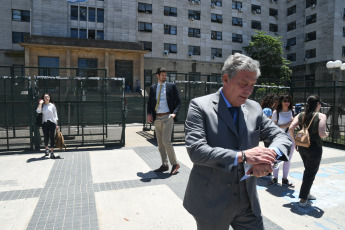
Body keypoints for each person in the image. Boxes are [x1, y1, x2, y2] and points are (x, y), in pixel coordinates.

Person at [183, 53, 292, 230]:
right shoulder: (200, 106)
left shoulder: (254, 108)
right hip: (211, 202)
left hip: (247, 203)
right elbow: (197, 151)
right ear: (226, 79)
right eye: (243, 84)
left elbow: (281, 137)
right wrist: (244, 156)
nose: (249, 90)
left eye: (252, 85)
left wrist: (268, 155)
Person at [289, 95, 328, 207]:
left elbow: (291, 128)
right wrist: (326, 134)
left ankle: (307, 193)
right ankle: (303, 198)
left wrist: (295, 142)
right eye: (320, 103)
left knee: (308, 170)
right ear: (317, 104)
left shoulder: (301, 114)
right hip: (314, 147)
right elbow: (321, 134)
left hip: (302, 145)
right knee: (310, 172)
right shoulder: (321, 116)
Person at [147, 67, 181, 175]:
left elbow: (179, 102)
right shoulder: (153, 88)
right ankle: (164, 164)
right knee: (160, 143)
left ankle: (175, 164)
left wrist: (174, 113)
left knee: (166, 140)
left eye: (165, 75)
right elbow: (149, 103)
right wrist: (149, 114)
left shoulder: (171, 86)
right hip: (157, 117)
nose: (164, 77)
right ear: (157, 76)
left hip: (168, 117)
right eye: (162, 75)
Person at [269, 94, 295, 187]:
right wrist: (287, 125)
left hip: (290, 138)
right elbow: (273, 127)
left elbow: (294, 126)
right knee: (277, 159)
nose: (287, 103)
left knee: (288, 160)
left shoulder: (292, 111)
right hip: (279, 139)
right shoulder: (276, 113)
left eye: (288, 101)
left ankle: (285, 179)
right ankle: (275, 178)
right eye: (284, 100)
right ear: (281, 101)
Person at [36, 93, 59, 159]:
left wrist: (56, 124)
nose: (46, 98)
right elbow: (38, 111)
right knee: (46, 137)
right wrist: (40, 103)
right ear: (43, 99)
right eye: (45, 97)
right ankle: (46, 149)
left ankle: (52, 152)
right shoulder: (42, 105)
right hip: (44, 123)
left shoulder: (52, 105)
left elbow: (55, 115)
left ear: (49, 98)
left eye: (48, 97)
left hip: (52, 123)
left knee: (52, 137)